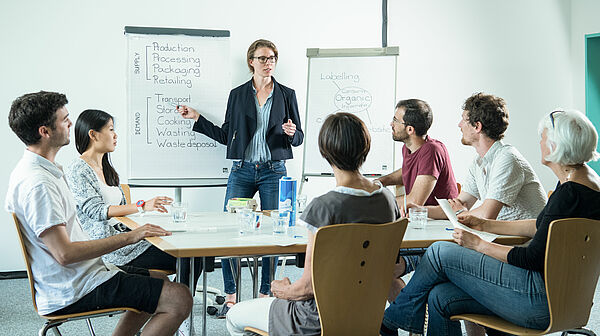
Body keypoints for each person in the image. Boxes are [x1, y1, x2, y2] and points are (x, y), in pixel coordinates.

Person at [380, 109, 600, 335]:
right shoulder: (584, 184)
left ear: (555, 145)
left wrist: (477, 244)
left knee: (438, 253)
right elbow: (539, 227)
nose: (540, 142)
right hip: (561, 297)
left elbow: (531, 257)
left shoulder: (570, 193)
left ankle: (389, 321)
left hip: (538, 299)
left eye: (543, 137)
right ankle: (398, 318)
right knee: (440, 297)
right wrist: (485, 225)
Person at [6, 91, 192, 336]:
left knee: (159, 281)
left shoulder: (41, 171)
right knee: (179, 298)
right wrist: (131, 236)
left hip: (82, 274)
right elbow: (64, 254)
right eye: (64, 119)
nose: (71, 124)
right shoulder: (40, 184)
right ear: (45, 131)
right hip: (74, 287)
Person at [225, 112, 400, 336]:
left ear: (325, 151)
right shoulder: (387, 199)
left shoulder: (324, 207)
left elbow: (306, 289)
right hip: (368, 313)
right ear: (365, 147)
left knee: (234, 316)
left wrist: (281, 289)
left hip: (314, 320)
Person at [177, 39, 304, 316]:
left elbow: (299, 137)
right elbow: (227, 135)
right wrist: (197, 118)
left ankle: (264, 295)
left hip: (274, 171)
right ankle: (231, 296)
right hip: (242, 170)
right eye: (262, 58)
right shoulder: (237, 95)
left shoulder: (286, 94)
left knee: (276, 233)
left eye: (272, 58)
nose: (268, 62)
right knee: (232, 231)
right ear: (251, 62)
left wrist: (293, 133)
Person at [64, 109, 202, 292]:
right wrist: (142, 206)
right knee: (190, 257)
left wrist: (143, 216)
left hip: (128, 240)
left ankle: (175, 300)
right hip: (112, 248)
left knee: (193, 251)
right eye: (110, 129)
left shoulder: (107, 168)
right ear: (93, 135)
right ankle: (179, 305)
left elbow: (119, 212)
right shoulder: (78, 168)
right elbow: (96, 211)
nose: (115, 135)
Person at [425, 93, 546, 221]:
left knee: (439, 242)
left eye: (463, 120)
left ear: (477, 126)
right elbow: (458, 206)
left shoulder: (507, 159)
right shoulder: (478, 162)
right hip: (500, 237)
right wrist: (415, 210)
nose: (459, 125)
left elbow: (487, 215)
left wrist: (460, 212)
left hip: (523, 240)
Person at [377, 99, 458, 209]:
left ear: (410, 129)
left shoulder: (432, 151)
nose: (391, 124)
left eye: (395, 120)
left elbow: (414, 202)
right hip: (420, 217)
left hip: (438, 221)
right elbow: (407, 170)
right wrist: (380, 182)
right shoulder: (407, 148)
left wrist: (375, 201)